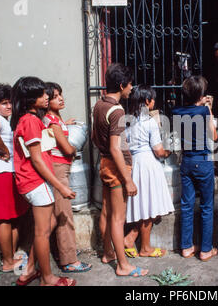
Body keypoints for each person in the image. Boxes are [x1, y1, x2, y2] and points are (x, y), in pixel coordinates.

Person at [10, 76, 76, 286]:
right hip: (35, 181)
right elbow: (37, 160)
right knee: (43, 232)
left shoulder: (29, 119)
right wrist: (60, 186)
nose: (46, 97)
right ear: (30, 99)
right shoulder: (29, 121)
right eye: (41, 94)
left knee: (50, 223)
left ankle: (29, 270)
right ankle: (48, 279)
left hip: (33, 181)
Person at [91, 63, 148, 277]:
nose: (132, 87)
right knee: (118, 218)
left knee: (106, 211)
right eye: (130, 83)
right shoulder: (116, 110)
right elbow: (116, 148)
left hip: (105, 163)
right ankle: (123, 265)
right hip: (116, 167)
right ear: (122, 85)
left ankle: (108, 253)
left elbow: (95, 137)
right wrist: (128, 179)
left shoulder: (99, 105)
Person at [41, 82, 92, 273]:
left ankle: (54, 252)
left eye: (60, 94)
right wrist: (74, 149)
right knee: (64, 216)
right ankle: (69, 260)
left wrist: (66, 125)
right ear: (46, 101)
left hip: (62, 169)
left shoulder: (56, 119)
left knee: (59, 215)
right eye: (54, 96)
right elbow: (66, 147)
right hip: (59, 169)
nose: (60, 98)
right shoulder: (51, 121)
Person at [123, 85, 174, 258]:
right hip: (148, 164)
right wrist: (169, 151)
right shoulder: (150, 122)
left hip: (134, 164)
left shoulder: (127, 120)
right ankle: (145, 248)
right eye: (152, 99)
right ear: (146, 101)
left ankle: (130, 239)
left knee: (143, 204)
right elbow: (159, 151)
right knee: (149, 207)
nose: (154, 102)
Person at [172, 75, 218, 261]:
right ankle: (206, 249)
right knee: (207, 206)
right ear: (200, 95)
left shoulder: (176, 111)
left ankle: (186, 247)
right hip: (203, 161)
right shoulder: (204, 111)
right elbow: (214, 136)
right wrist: (210, 110)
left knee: (187, 205)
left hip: (187, 162)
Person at [0, 84, 29, 272]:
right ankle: (8, 262)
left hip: (7, 173)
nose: (9, 106)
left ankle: (11, 255)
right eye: (4, 103)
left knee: (14, 217)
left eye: (10, 102)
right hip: (0, 174)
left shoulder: (5, 120)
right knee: (4, 219)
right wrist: (4, 150)